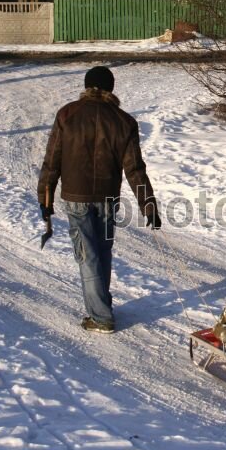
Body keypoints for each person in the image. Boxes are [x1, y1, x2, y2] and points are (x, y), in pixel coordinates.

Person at [37, 66, 161, 334]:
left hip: (77, 197)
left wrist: (44, 198)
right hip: (107, 197)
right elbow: (135, 169)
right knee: (101, 252)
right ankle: (101, 304)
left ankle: (101, 317)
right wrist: (148, 204)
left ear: (87, 86)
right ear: (111, 89)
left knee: (88, 256)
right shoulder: (123, 121)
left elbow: (52, 161)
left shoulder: (68, 114)